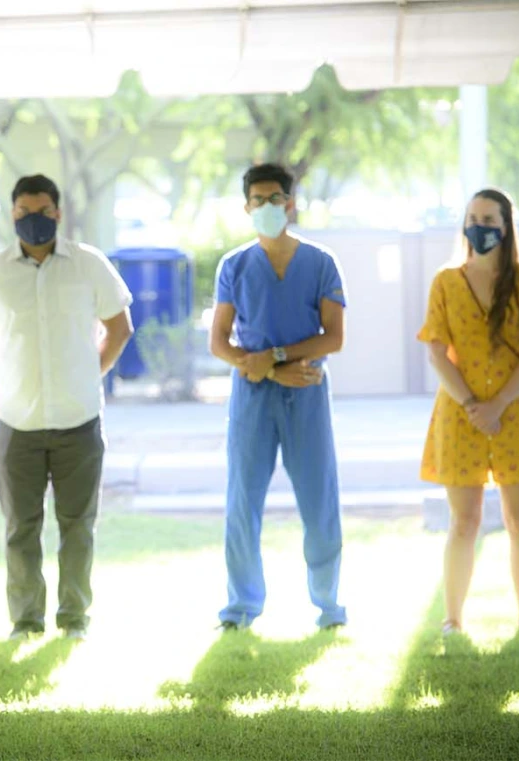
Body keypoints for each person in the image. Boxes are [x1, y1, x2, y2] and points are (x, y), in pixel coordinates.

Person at [0, 174, 133, 642]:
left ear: (57, 214)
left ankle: (74, 617)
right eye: (22, 212)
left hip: (79, 419)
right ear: (12, 214)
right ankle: (26, 620)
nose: (31, 219)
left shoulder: (88, 265)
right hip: (16, 421)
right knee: (21, 527)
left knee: (78, 526)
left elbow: (120, 327)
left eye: (41, 211)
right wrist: (4, 370)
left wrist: (91, 371)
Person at [209, 162, 348, 631]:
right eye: (258, 199)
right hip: (252, 398)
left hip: (307, 388)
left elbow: (333, 338)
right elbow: (220, 343)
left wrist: (278, 358)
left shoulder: (321, 263)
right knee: (242, 502)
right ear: (246, 206)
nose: (268, 206)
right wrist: (267, 370)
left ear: (291, 202)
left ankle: (329, 606)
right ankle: (241, 607)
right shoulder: (235, 266)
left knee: (319, 499)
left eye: (276, 198)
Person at [418, 187, 519, 636]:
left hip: (516, 414)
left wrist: (498, 404)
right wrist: (472, 405)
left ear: (505, 227)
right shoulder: (446, 281)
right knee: (465, 521)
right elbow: (437, 353)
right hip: (459, 416)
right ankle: (453, 620)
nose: (478, 227)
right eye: (472, 218)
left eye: (488, 219)